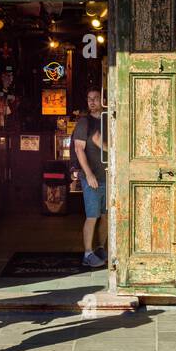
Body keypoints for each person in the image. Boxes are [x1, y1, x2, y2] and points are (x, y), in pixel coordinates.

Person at [72, 89, 107, 267]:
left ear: (104, 100)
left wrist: (101, 144)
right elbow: (79, 149)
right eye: (89, 99)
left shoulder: (109, 120)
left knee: (106, 215)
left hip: (108, 177)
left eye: (96, 98)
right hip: (92, 178)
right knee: (92, 216)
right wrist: (89, 174)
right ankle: (87, 253)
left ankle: (101, 247)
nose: (92, 102)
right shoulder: (84, 123)